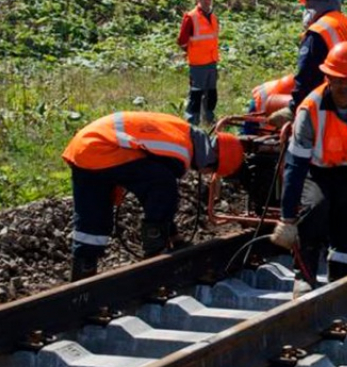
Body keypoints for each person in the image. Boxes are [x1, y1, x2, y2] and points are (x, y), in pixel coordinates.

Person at [63, 111, 244, 281]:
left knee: (93, 214)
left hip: (84, 147)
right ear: (212, 161)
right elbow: (160, 193)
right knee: (163, 184)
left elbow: (153, 191)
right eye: (211, 171)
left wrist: (174, 235)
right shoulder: (181, 151)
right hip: (104, 147)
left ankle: (83, 273)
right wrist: (167, 237)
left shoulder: (182, 132)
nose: (205, 173)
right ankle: (155, 250)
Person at [269, 42, 347, 284]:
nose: (342, 86)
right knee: (315, 208)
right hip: (316, 170)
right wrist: (287, 217)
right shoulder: (310, 109)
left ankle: (340, 280)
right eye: (336, 79)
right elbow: (296, 165)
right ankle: (305, 276)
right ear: (328, 78)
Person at [177, 0, 219, 125]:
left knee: (211, 93)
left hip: (212, 61)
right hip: (198, 64)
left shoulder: (213, 17)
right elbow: (182, 40)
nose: (207, 1)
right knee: (196, 93)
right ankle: (191, 122)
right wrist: (192, 51)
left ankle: (208, 118)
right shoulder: (190, 17)